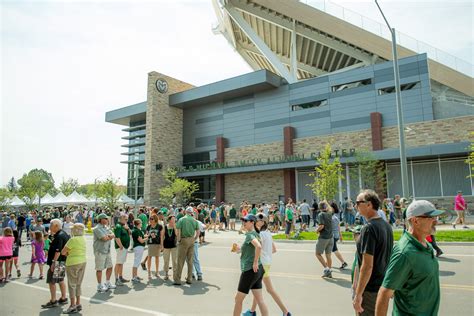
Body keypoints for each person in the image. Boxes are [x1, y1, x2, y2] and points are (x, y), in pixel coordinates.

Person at [376, 200, 444, 316]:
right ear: (415, 221)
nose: (435, 221)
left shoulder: (425, 244)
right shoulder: (404, 253)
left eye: (436, 217)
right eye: (431, 217)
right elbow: (385, 293)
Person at [352, 190, 393, 316]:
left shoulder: (369, 228)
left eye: (358, 202)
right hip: (382, 286)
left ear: (369, 204)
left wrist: (358, 295)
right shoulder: (386, 225)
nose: (356, 206)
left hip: (369, 290)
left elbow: (367, 265)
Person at [243, 213, 290, 316]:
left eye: (257, 220)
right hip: (267, 263)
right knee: (257, 288)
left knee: (269, 289)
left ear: (263, 222)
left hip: (261, 264)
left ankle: (286, 312)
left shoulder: (259, 234)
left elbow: (257, 248)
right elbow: (273, 250)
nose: (255, 221)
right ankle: (252, 311)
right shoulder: (268, 233)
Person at [232, 214, 268, 316]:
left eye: (246, 221)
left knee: (238, 299)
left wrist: (255, 262)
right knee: (260, 300)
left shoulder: (250, 235)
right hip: (259, 270)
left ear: (252, 222)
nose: (243, 223)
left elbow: (259, 247)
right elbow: (252, 249)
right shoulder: (256, 233)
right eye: (243, 221)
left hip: (250, 271)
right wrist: (239, 250)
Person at [41, 219, 70, 309]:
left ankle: (53, 300)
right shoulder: (64, 234)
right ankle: (63, 297)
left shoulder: (59, 236)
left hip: (57, 262)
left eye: (51, 225)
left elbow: (58, 251)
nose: (49, 227)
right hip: (62, 261)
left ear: (56, 226)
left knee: (51, 281)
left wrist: (53, 262)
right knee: (60, 280)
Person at [61, 223, 87, 314]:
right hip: (82, 261)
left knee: (72, 284)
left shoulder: (73, 239)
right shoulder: (83, 238)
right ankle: (78, 303)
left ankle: (72, 305)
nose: (71, 230)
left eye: (73, 229)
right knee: (78, 283)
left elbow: (63, 252)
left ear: (76, 230)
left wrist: (69, 254)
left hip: (72, 262)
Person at [173, 207, 199, 285]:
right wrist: (194, 239)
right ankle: (189, 278)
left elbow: (178, 232)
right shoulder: (194, 220)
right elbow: (198, 232)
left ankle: (177, 279)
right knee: (190, 260)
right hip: (191, 240)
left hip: (183, 240)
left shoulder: (181, 219)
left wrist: (179, 240)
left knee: (180, 260)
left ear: (185, 212)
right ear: (191, 213)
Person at [93, 213, 116, 292]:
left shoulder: (106, 227)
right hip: (100, 251)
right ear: (100, 220)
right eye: (105, 218)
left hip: (107, 250)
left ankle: (107, 282)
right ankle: (99, 285)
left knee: (110, 266)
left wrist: (109, 236)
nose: (107, 220)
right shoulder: (97, 228)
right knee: (99, 268)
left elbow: (113, 234)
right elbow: (104, 238)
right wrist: (110, 236)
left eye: (107, 218)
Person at [315, 201, 334, 278]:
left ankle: (327, 269)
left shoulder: (321, 214)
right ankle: (328, 271)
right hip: (330, 237)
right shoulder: (329, 213)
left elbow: (322, 226)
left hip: (324, 237)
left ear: (319, 208)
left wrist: (316, 230)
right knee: (328, 255)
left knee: (317, 254)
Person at [114, 213, 131, 286]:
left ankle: (120, 277)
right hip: (121, 247)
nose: (127, 220)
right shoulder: (118, 226)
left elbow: (130, 234)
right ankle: (116, 279)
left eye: (127, 219)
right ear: (121, 219)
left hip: (124, 247)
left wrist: (128, 228)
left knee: (121, 263)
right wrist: (121, 246)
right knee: (118, 263)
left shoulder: (124, 226)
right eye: (126, 219)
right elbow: (117, 237)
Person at [146, 214, 164, 279]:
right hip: (150, 243)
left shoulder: (160, 226)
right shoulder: (148, 226)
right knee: (149, 257)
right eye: (150, 219)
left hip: (157, 243)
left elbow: (162, 236)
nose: (150, 220)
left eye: (152, 219)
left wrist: (162, 245)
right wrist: (149, 235)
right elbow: (146, 235)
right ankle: (149, 272)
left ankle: (157, 272)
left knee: (157, 257)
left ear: (155, 219)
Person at [131, 218, 148, 283]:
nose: (141, 224)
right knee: (137, 262)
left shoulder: (138, 230)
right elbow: (141, 240)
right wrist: (147, 238)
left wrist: (147, 236)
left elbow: (142, 236)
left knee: (137, 261)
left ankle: (135, 275)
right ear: (138, 224)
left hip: (139, 247)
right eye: (140, 223)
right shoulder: (136, 231)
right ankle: (134, 277)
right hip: (138, 247)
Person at [163, 214, 178, 280]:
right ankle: (166, 274)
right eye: (172, 219)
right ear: (169, 220)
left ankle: (175, 274)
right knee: (166, 260)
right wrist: (161, 245)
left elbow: (177, 234)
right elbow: (162, 236)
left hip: (174, 246)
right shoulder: (165, 227)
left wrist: (174, 227)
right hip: (166, 245)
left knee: (174, 260)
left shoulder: (176, 226)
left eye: (174, 219)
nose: (174, 220)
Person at [193, 213, 205, 281]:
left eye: (192, 214)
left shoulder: (197, 222)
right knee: (189, 259)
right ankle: (192, 273)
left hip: (194, 242)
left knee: (195, 259)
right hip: (189, 242)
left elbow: (204, 227)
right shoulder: (185, 221)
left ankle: (199, 274)